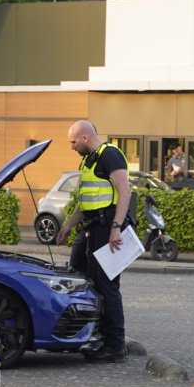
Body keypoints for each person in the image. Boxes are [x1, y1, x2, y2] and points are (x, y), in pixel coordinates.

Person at [56, 120, 134, 363]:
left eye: (73, 142)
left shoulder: (110, 155)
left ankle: (114, 346)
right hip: (91, 226)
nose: (71, 147)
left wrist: (115, 228)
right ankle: (92, 334)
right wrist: (68, 225)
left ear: (85, 138)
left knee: (107, 285)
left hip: (107, 227)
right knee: (79, 275)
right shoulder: (88, 160)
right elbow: (86, 201)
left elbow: (125, 192)